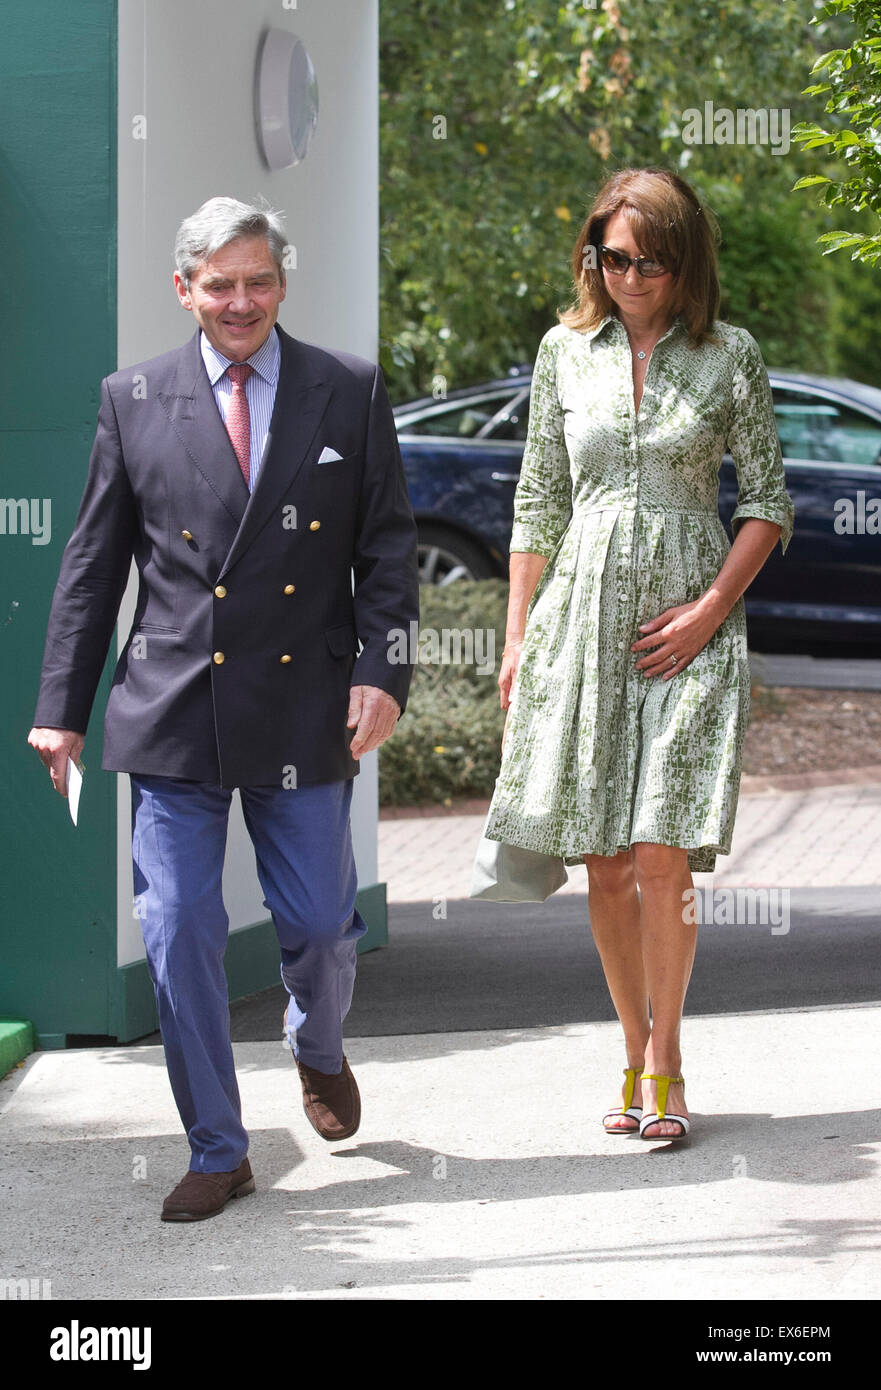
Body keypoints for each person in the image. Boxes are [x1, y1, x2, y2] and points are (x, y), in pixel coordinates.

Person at [29, 196, 419, 1218]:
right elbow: (91, 564)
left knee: (321, 928)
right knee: (179, 924)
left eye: (256, 281)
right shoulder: (134, 396)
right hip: (172, 709)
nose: (238, 302)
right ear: (184, 290)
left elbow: (384, 549)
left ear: (280, 283)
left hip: (305, 706)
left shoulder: (346, 390)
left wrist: (383, 669)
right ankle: (217, 1145)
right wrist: (61, 705)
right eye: (218, 284)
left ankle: (316, 1042)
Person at [471, 167, 794, 1142]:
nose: (628, 276)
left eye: (649, 259)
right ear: (591, 257)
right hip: (582, 618)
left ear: (683, 260)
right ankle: (627, 1045)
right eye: (611, 258)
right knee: (604, 861)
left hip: (688, 621)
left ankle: (668, 1062)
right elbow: (535, 500)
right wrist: (518, 633)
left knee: (662, 850)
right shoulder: (561, 352)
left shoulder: (726, 354)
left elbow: (766, 502)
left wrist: (706, 613)